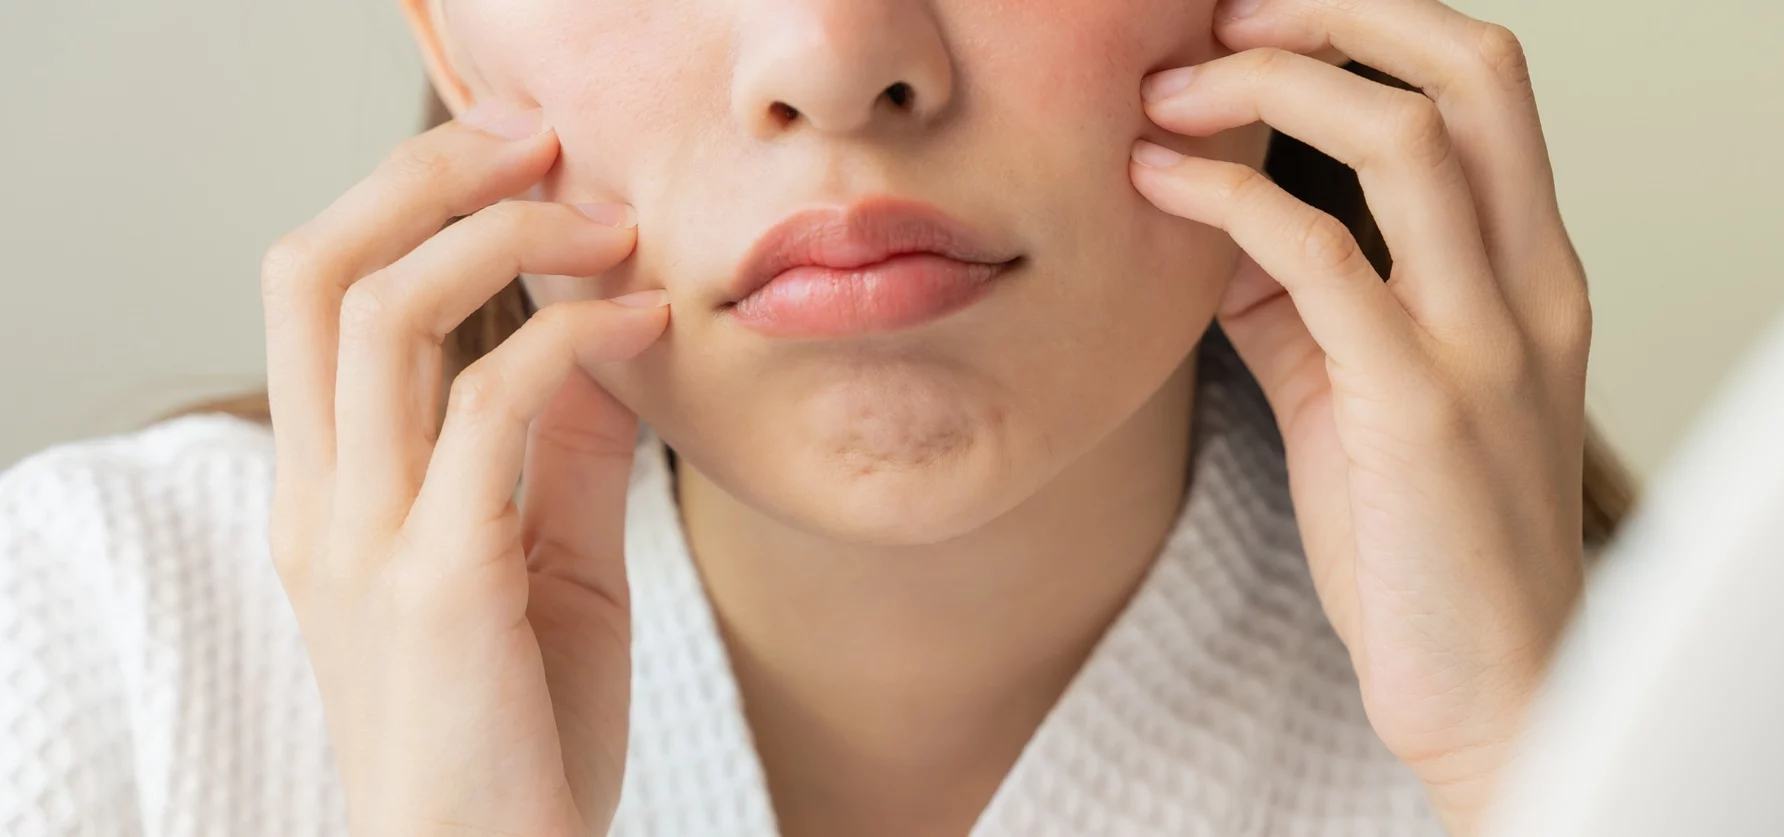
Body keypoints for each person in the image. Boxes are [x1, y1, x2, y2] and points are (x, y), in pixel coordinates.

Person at [0, 0, 1632, 833]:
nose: (835, 59)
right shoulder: (96, 646)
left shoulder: (1669, 715)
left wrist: (1547, 760)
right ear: (444, 26)